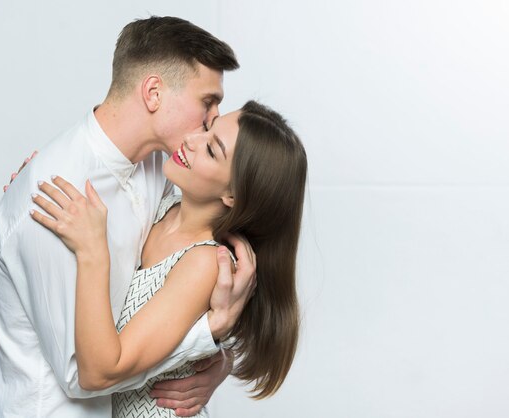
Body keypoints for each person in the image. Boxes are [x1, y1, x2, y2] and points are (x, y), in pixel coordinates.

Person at [0, 16, 255, 418]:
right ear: (153, 93)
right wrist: (205, 335)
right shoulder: (55, 199)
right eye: (207, 102)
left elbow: (214, 237)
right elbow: (86, 375)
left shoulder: (156, 171)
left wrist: (219, 360)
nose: (213, 118)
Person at [30, 101, 307, 417]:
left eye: (212, 151)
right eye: (206, 128)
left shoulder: (205, 262)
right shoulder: (160, 204)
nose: (191, 141)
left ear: (233, 195)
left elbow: (99, 372)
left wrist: (93, 252)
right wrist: (33, 185)